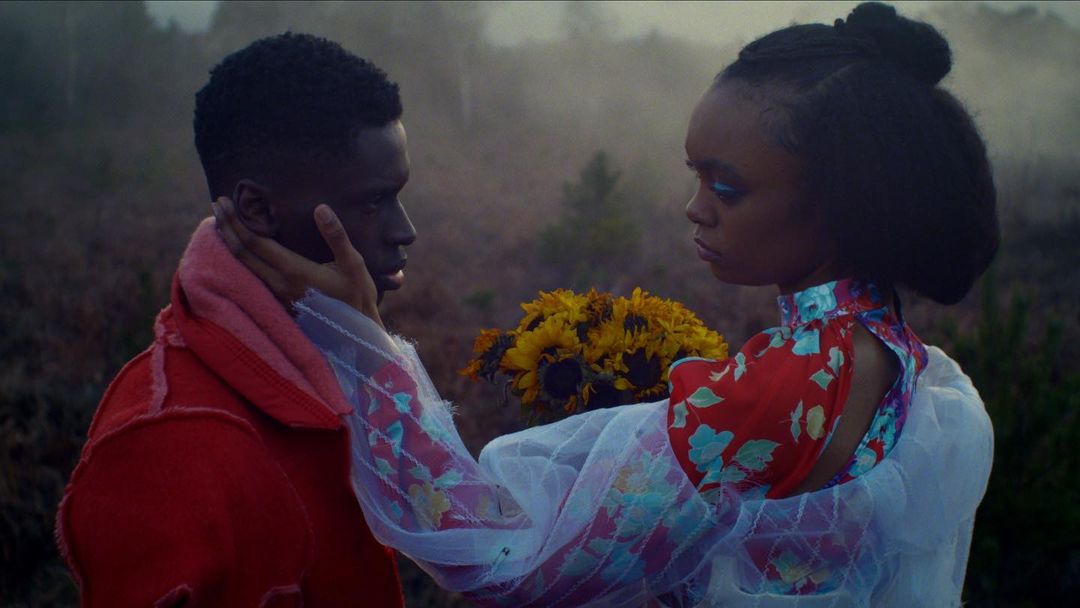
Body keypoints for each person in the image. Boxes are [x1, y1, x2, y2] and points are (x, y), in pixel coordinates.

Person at [218, 3, 997, 605]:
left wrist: (359, 336)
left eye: (727, 187)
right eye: (695, 175)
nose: (695, 208)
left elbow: (501, 555)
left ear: (837, 204)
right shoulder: (888, 353)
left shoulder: (783, 391)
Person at [56, 33, 416, 606]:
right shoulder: (167, 445)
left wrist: (367, 345)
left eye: (398, 196)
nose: (405, 230)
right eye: (372, 202)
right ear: (257, 209)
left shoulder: (342, 360)